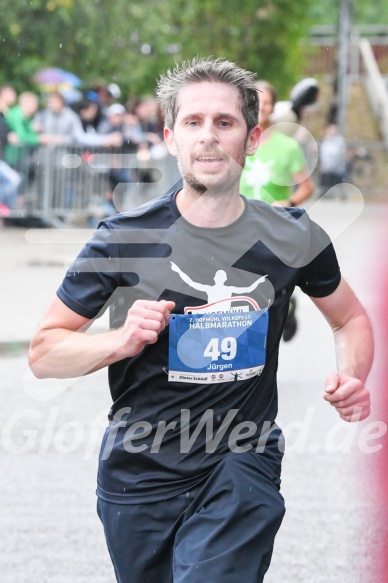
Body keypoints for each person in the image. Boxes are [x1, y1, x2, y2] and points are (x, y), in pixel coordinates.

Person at [28, 57, 373, 583]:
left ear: (252, 138)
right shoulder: (125, 238)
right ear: (171, 137)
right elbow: (44, 352)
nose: (208, 137)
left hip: (242, 459)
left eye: (224, 123)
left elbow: (349, 319)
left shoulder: (292, 236)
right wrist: (119, 340)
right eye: (193, 123)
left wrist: (352, 375)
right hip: (139, 472)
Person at [240, 81, 314, 342]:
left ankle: (286, 307)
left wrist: (289, 203)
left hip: (273, 224)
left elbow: (306, 187)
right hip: (240, 223)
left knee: (268, 279)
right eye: (256, 103)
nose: (261, 108)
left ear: (273, 107)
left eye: (267, 103)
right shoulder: (237, 141)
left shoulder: (287, 146)